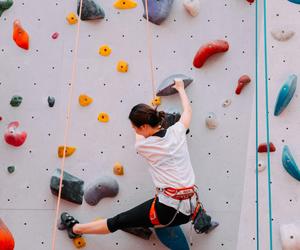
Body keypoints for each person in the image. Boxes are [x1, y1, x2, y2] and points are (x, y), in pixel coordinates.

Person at [60, 79, 217, 239]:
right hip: (190, 207)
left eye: (135, 127)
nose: (134, 130)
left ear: (143, 127)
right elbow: (188, 111)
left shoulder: (144, 146)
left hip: (167, 210)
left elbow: (140, 137)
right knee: (141, 218)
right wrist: (181, 89)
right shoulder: (177, 132)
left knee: (118, 221)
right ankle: (147, 224)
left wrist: (144, 119)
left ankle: (76, 229)